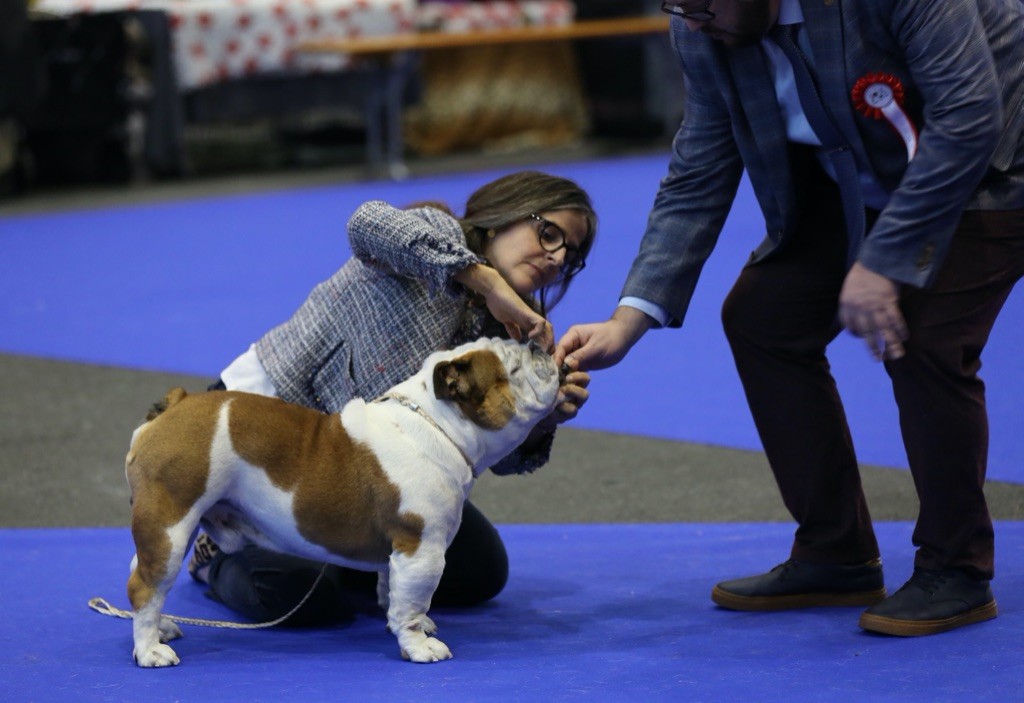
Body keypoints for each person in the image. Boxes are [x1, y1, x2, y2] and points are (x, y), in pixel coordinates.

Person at [555, 0, 1024, 637]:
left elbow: (968, 119)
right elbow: (698, 171)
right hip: (862, 170)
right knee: (763, 317)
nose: (688, 22)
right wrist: (627, 320)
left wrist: (885, 261)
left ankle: (957, 567)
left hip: (998, 162)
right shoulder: (701, 22)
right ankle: (837, 553)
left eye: (699, 6)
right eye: (674, 5)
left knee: (922, 332)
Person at [188, 170, 597, 624]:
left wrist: (543, 418)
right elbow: (365, 222)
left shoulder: (511, 327)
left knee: (483, 573)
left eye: (571, 254)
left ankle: (345, 553)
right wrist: (487, 283)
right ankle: (216, 552)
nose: (557, 258)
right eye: (549, 232)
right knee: (300, 596)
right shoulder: (436, 234)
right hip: (263, 445)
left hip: (365, 476)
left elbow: (498, 454)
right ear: (506, 213)